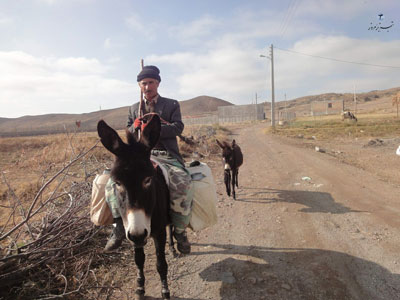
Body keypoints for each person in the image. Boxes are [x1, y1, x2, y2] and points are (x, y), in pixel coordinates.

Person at [104, 65, 194, 254]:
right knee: (112, 184)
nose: (147, 87)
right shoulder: (134, 108)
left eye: (151, 82)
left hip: (167, 155)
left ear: (158, 83)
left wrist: (155, 129)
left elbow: (178, 128)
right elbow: (129, 131)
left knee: (182, 184)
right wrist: (134, 127)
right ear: (139, 85)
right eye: (144, 83)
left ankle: (179, 230)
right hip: (141, 156)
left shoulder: (171, 104)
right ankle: (119, 225)